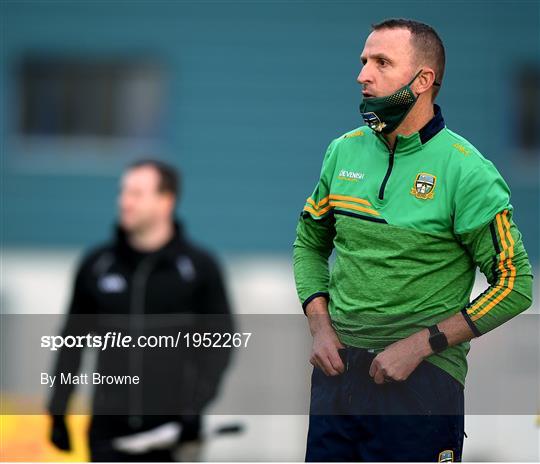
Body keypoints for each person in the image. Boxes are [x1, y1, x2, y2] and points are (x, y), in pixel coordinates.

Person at [293, 18, 533, 462]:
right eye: (364, 61)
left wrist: (422, 345)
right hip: (337, 377)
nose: (363, 75)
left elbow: (514, 285)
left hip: (420, 382)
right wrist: (320, 328)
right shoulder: (342, 151)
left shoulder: (467, 171)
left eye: (382, 62)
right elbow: (309, 243)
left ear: (422, 80)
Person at [48, 159, 233, 462]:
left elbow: (220, 344)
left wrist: (194, 407)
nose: (124, 202)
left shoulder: (199, 268)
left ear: (166, 201)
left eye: (136, 194)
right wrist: (57, 410)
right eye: (123, 192)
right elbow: (71, 341)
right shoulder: (96, 265)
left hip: (173, 434)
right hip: (107, 432)